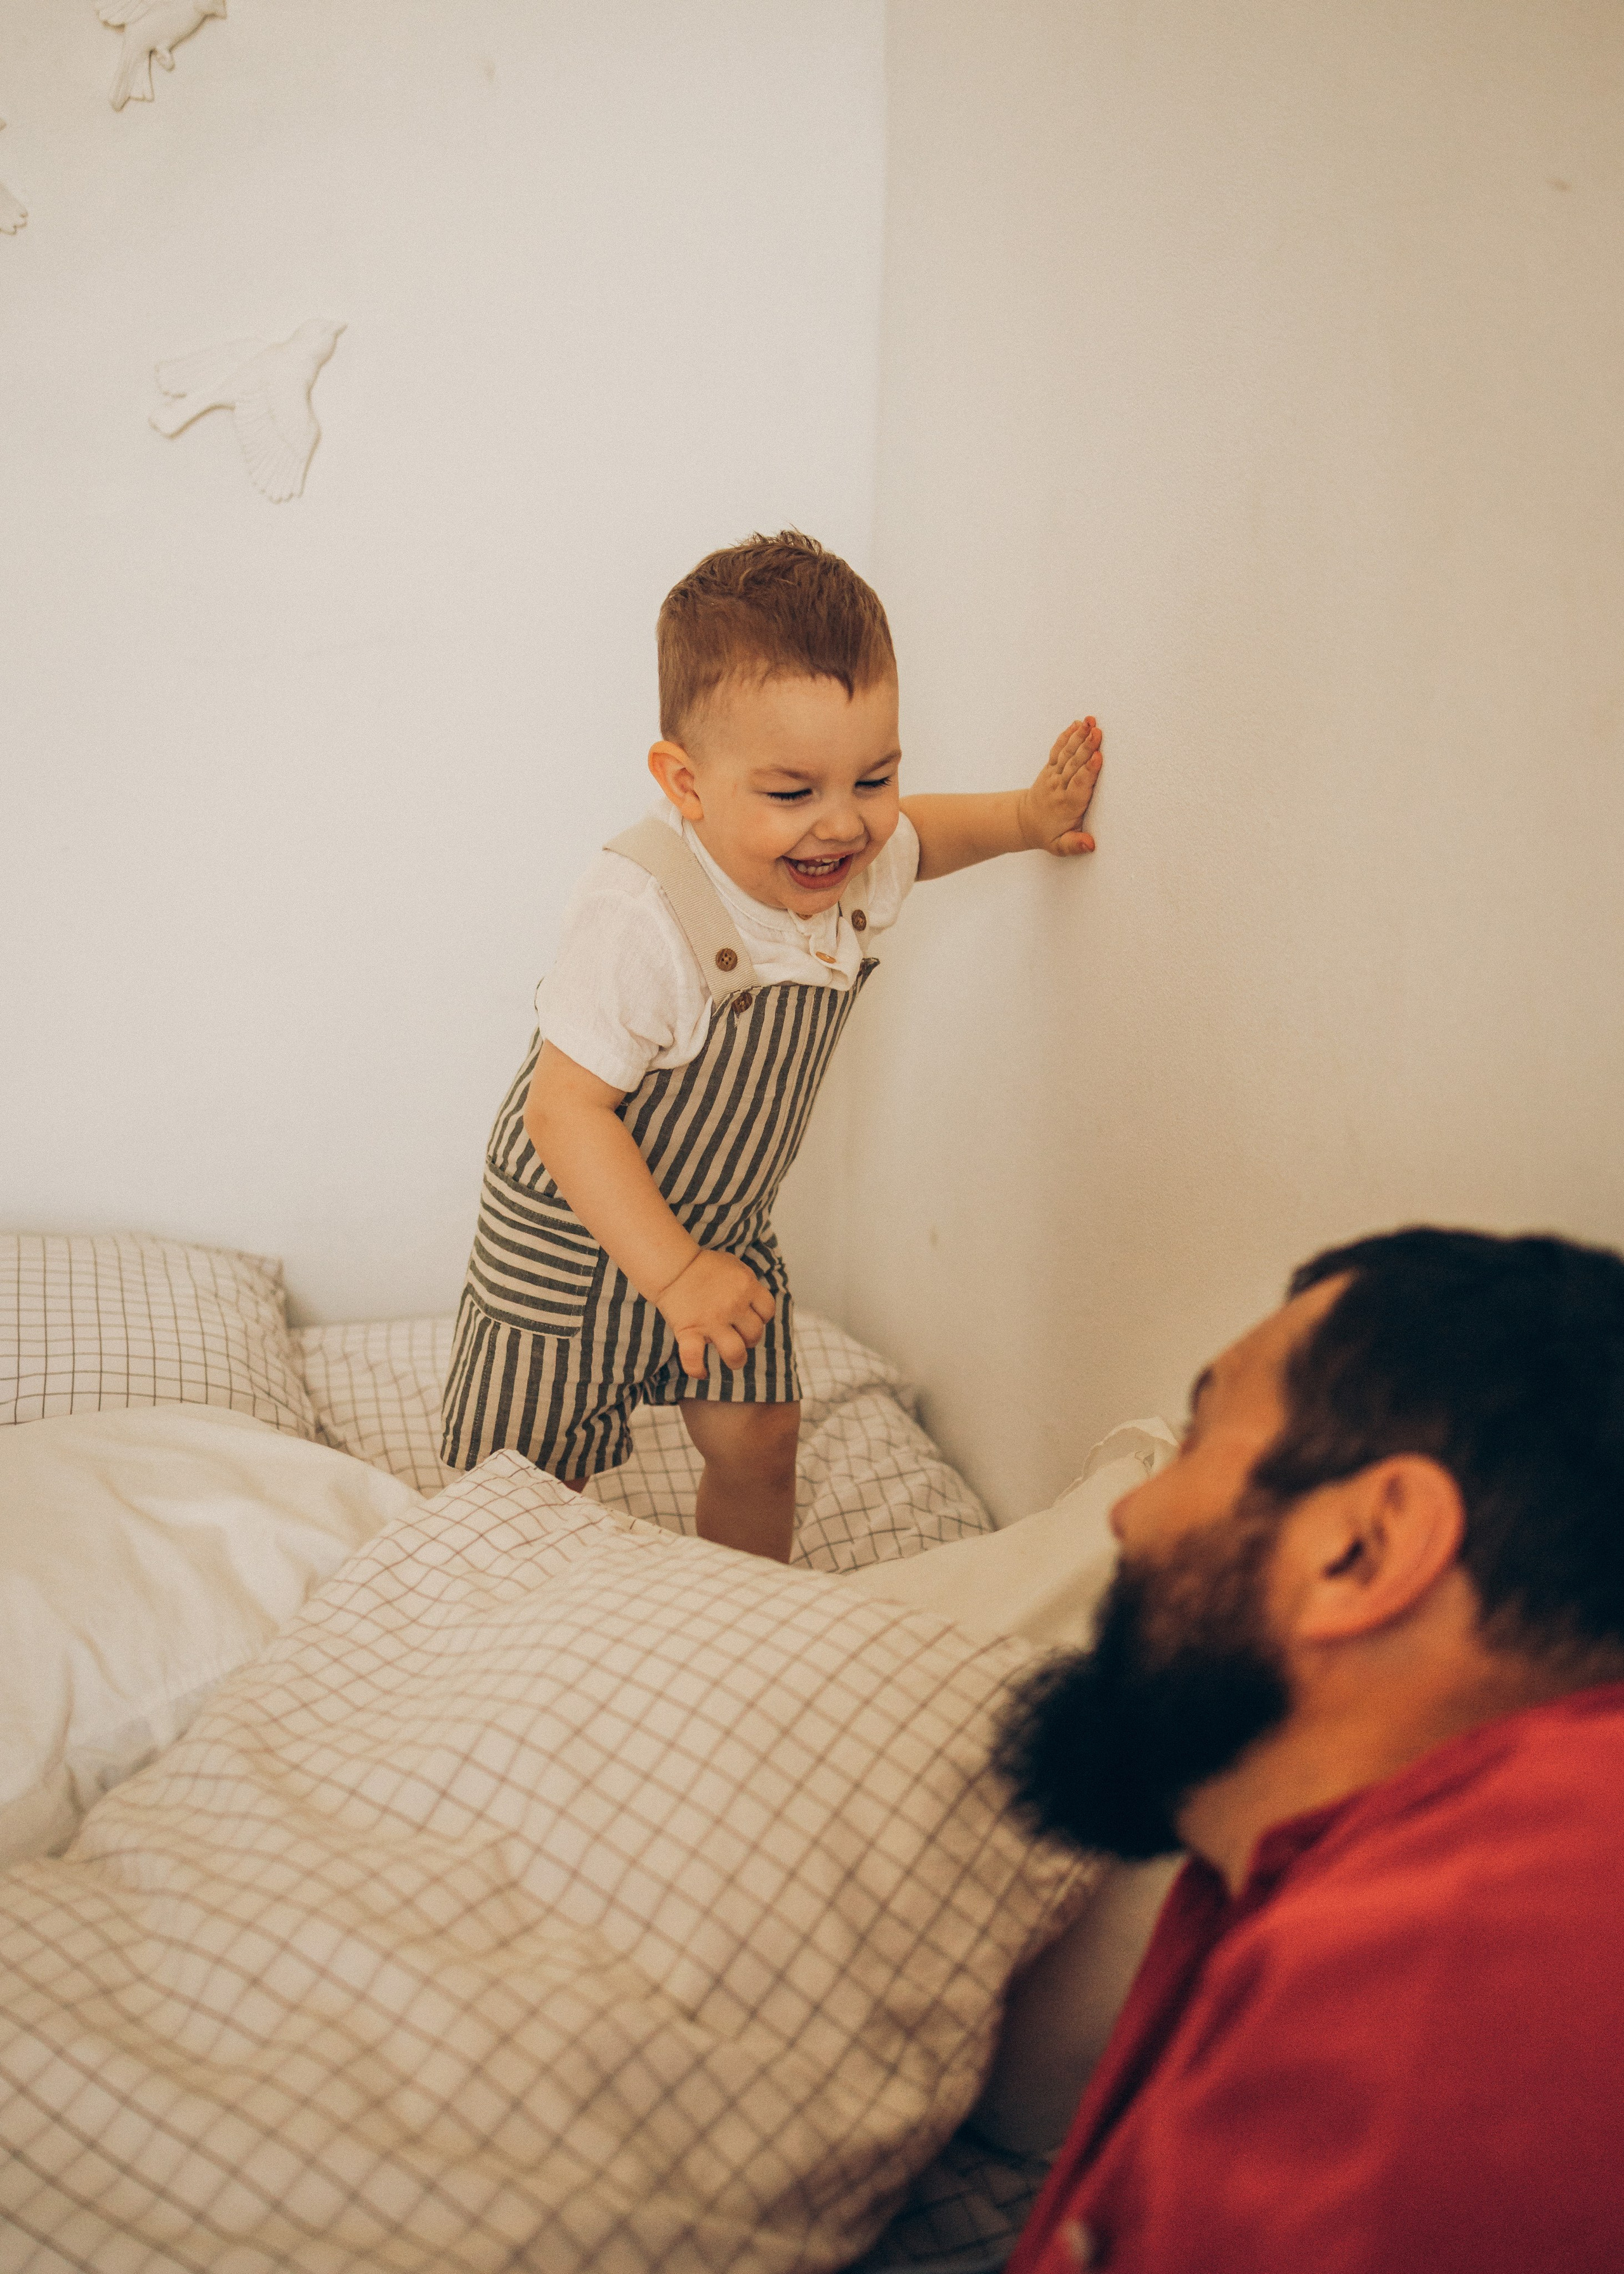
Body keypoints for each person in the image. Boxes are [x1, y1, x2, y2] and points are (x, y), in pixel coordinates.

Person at [441, 530, 1104, 1558]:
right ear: (686, 782)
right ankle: (503, 1621)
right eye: (793, 793)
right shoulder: (643, 912)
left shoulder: (850, 864)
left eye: (872, 779)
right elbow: (562, 1111)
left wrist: (1025, 815)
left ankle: (739, 1602)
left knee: (762, 1434)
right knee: (524, 1489)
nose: (842, 827)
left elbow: (926, 839)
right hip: (571, 1240)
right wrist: (671, 1279)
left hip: (723, 1225)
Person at [985, 1225, 1624, 2274]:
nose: (1129, 1514)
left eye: (1196, 1439)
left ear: (1360, 1550)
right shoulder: (1304, 1869)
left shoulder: (1455, 1989)